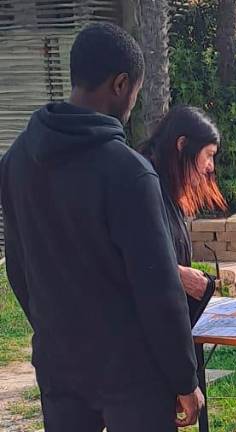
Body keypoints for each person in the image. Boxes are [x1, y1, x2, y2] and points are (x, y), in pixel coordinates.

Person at [0, 23, 203, 431]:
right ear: (121, 84)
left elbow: (18, 268)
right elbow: (158, 289)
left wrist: (53, 327)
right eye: (134, 92)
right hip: (132, 373)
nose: (132, 103)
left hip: (59, 361)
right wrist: (185, 380)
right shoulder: (128, 172)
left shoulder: (16, 161)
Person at [139, 106, 227, 322]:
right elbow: (132, 258)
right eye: (208, 155)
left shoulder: (167, 191)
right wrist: (176, 275)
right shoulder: (144, 186)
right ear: (182, 145)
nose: (210, 167)